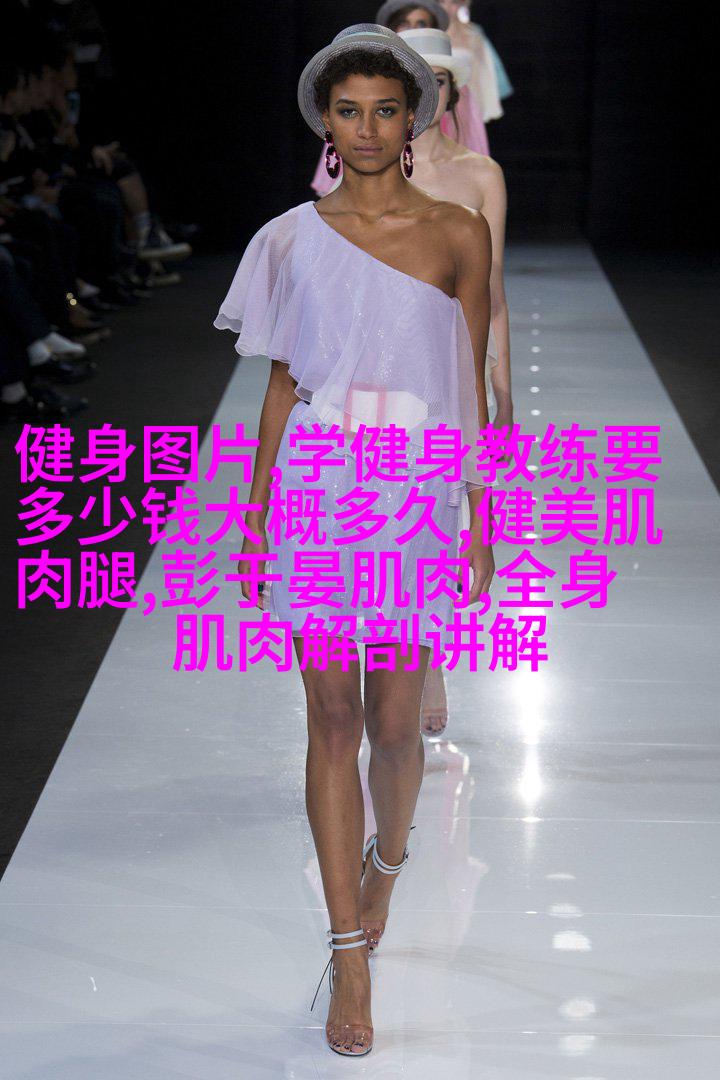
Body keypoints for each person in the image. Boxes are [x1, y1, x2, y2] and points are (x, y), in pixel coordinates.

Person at [214, 24, 493, 1056]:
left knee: (395, 723)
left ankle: (391, 861)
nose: (367, 128)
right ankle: (347, 951)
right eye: (348, 111)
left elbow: (465, 381)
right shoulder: (289, 240)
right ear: (323, 123)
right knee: (330, 718)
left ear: (412, 118)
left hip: (413, 486)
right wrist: (254, 514)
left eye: (384, 109)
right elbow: (282, 385)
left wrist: (480, 514)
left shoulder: (459, 232)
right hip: (320, 483)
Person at [399, 26, 512, 733]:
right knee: (389, 507)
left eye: (437, 80)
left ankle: (426, 655)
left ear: (453, 90)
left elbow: (492, 288)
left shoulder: (481, 175)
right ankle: (397, 652)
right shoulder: (376, 169)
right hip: (385, 362)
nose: (427, 93)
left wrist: (502, 384)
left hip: (454, 360)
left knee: (439, 511)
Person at [310, 0, 489, 196]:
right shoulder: (367, 139)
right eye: (405, 22)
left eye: (421, 23)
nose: (428, 92)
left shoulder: (479, 170)